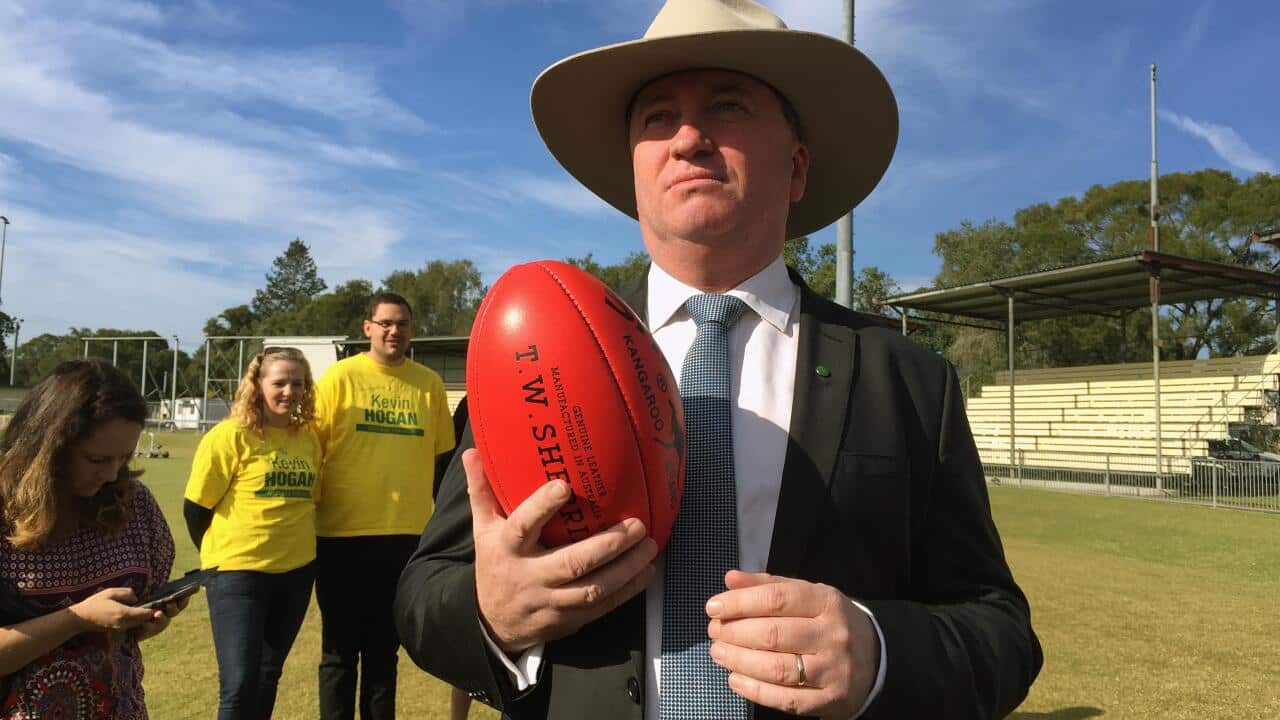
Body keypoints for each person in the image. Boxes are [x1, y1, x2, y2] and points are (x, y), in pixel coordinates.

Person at [395, 1, 1043, 719]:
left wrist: (879, 651)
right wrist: (495, 613)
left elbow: (999, 630)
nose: (689, 138)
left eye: (727, 107)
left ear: (796, 168)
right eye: (656, 118)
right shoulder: (526, 364)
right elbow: (425, 593)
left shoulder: (908, 379)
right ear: (634, 171)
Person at [0, 359, 183, 719]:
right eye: (96, 458)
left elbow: (117, 640)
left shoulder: (135, 504)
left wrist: (147, 621)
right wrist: (77, 617)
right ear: (49, 446)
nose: (113, 473)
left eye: (125, 457)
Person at [313, 291, 456, 720]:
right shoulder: (338, 379)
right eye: (386, 323)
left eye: (403, 324)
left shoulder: (429, 385)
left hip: (405, 539)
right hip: (340, 535)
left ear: (412, 330)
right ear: (368, 328)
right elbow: (312, 454)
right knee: (338, 653)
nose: (395, 331)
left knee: (383, 653)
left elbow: (442, 468)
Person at [183, 346, 321, 719]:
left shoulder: (308, 438)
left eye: (298, 383)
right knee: (239, 684)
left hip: (295, 572)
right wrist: (223, 554)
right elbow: (195, 509)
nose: (289, 391)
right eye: (279, 382)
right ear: (257, 385)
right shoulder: (229, 436)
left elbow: (311, 500)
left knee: (267, 675)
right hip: (237, 574)